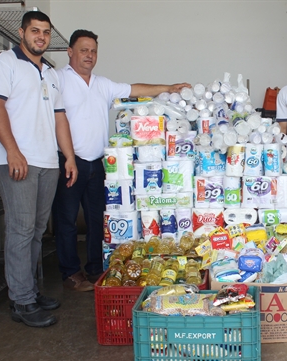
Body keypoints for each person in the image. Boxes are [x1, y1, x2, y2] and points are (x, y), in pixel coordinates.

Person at [52, 29, 191, 291]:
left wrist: (167, 87)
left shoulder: (102, 84)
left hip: (98, 163)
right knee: (67, 220)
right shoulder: (57, 79)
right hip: (69, 160)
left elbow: (133, 89)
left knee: (97, 219)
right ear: (70, 52)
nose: (89, 55)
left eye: (93, 50)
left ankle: (95, 269)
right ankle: (71, 273)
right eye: (83, 50)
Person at [0, 11, 78, 327]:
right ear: (22, 32)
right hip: (16, 161)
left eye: (46, 32)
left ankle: (31, 291)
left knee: (36, 231)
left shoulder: (50, 73)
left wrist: (69, 156)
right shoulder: (2, 65)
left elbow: (60, 118)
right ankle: (21, 302)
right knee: (22, 230)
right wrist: (13, 151)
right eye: (35, 30)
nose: (41, 36)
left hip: (47, 161)